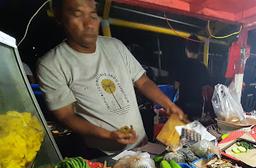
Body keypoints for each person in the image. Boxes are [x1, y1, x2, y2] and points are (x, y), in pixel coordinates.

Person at [37, 0, 184, 156]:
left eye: (93, 14)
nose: (89, 23)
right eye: (77, 14)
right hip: (103, 154)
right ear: (59, 17)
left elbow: (143, 81)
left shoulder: (115, 46)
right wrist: (109, 135)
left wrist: (169, 105)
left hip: (141, 145)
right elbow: (66, 116)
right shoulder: (51, 64)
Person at [173, 34, 212, 120]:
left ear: (186, 49)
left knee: (182, 130)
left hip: (182, 106)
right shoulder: (203, 68)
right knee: (194, 131)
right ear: (198, 51)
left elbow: (176, 86)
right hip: (197, 107)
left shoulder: (181, 65)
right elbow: (207, 88)